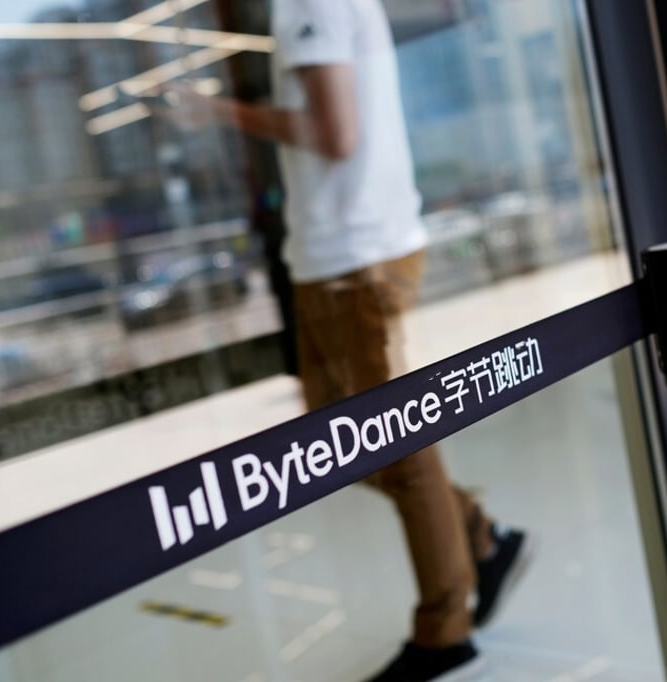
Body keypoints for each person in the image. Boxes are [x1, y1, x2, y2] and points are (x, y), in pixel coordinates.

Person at [165, 0, 529, 679]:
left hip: (355, 262)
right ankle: (478, 534)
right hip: (335, 259)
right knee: (336, 438)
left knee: (395, 444)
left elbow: (337, 134)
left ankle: (445, 632)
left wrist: (219, 113)